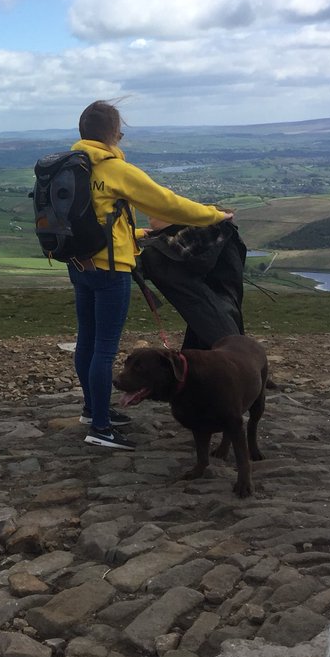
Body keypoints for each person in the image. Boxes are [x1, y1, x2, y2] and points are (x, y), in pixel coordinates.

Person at [67, 100, 232, 451]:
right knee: (105, 351)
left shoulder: (73, 165)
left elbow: (97, 221)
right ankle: (100, 427)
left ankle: (91, 410)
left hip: (78, 265)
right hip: (110, 271)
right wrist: (212, 215)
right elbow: (165, 203)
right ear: (113, 134)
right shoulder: (114, 169)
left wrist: (140, 236)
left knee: (87, 342)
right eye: (120, 133)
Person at [138, 215, 248, 350]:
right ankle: (230, 354)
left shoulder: (159, 254)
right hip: (223, 271)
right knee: (214, 309)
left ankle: (229, 356)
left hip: (224, 339)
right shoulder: (217, 233)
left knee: (205, 310)